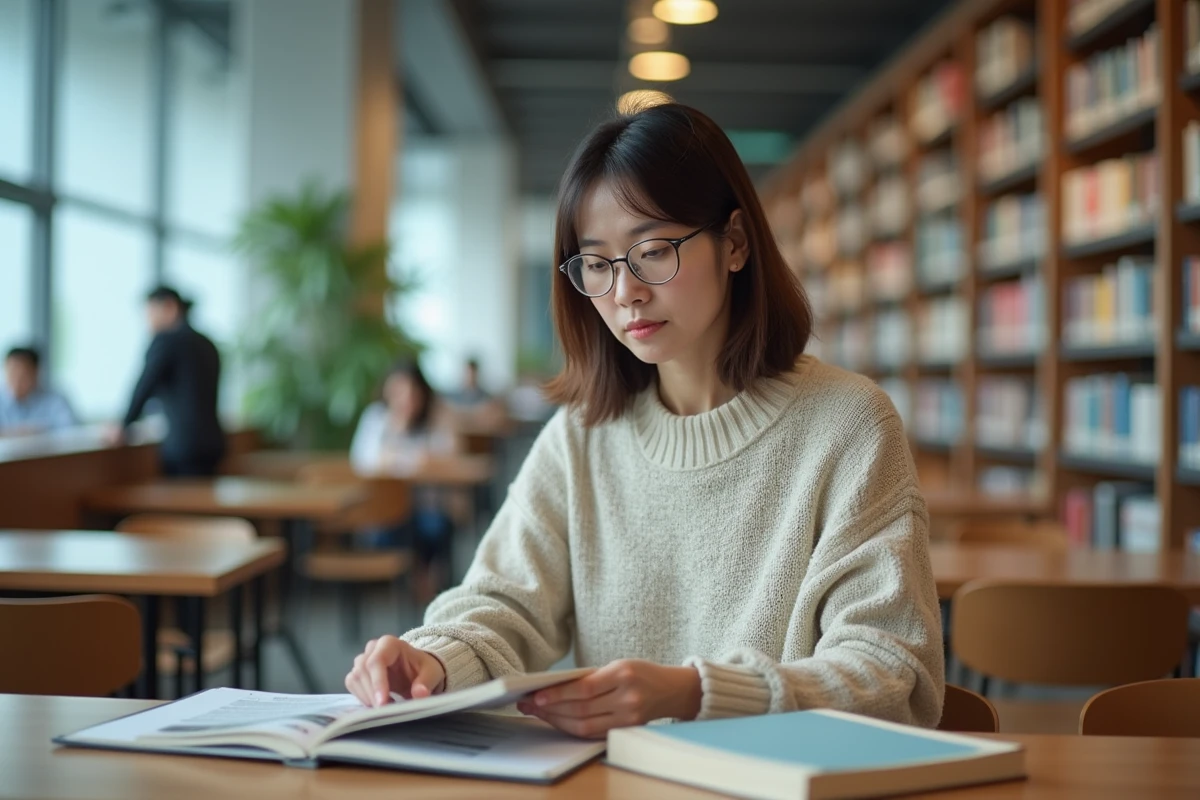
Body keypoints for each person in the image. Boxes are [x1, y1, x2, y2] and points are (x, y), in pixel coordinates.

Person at [344, 103, 944, 738]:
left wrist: (695, 695)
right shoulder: (583, 435)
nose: (625, 291)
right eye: (597, 264)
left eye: (652, 251)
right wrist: (432, 658)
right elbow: (503, 602)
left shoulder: (848, 424)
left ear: (735, 242)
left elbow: (893, 674)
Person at [350, 358, 458, 600]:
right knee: (396, 528)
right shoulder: (376, 419)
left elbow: (448, 457)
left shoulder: (438, 415)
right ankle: (419, 576)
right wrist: (395, 430)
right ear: (388, 391)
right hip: (386, 514)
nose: (406, 398)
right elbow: (362, 463)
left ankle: (420, 576)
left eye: (412, 391)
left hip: (428, 508)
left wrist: (398, 457)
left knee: (436, 526)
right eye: (398, 391)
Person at [113, 286, 224, 476]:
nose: (148, 322)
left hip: (183, 447)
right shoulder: (207, 343)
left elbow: (145, 385)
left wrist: (123, 424)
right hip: (213, 444)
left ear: (170, 307)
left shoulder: (166, 341)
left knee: (184, 502)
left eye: (150, 313)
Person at [0, 346, 77, 436]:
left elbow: (72, 432)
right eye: (12, 372)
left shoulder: (55, 400)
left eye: (23, 374)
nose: (17, 380)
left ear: (36, 373)